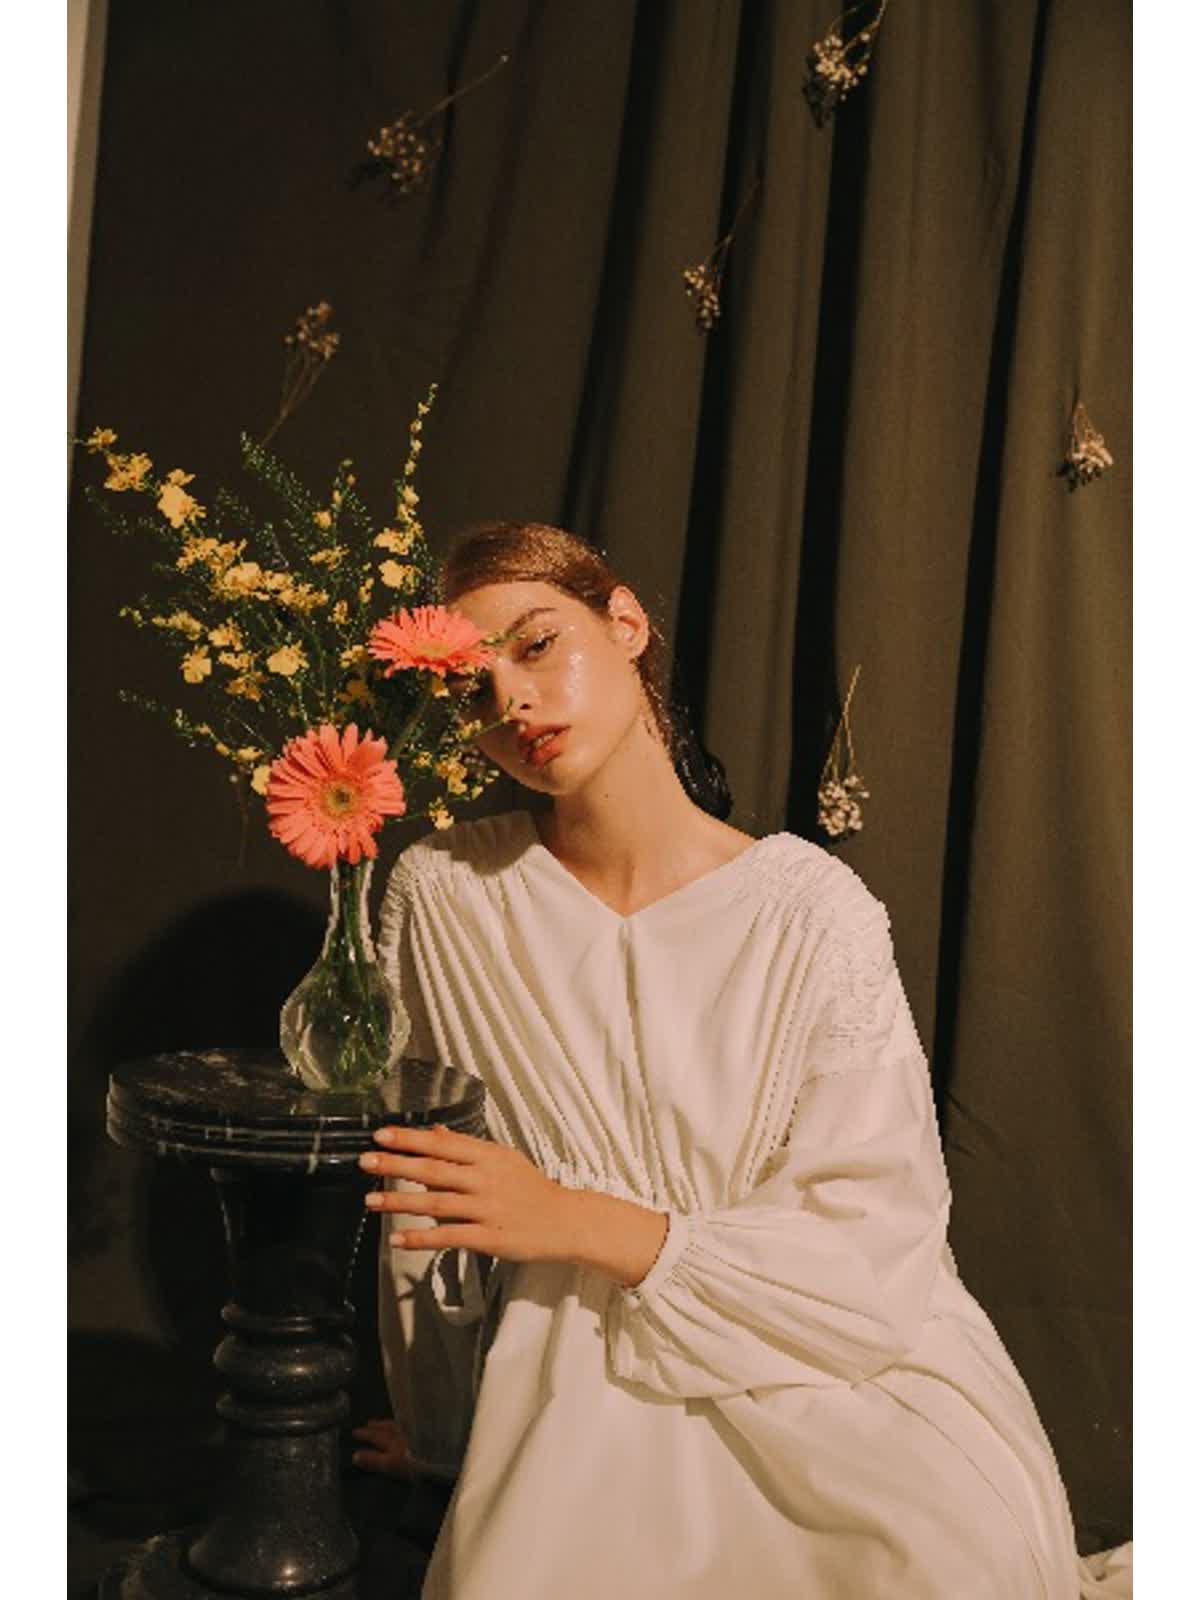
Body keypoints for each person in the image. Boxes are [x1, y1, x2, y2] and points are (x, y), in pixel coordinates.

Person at [352, 523, 1131, 1598]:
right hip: (577, 1397)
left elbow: (880, 1244)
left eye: (536, 645)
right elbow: (425, 1201)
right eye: (471, 692)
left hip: (841, 1381)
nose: (513, 702)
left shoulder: (813, 913)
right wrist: (443, 1433)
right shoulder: (445, 897)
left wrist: (576, 1220)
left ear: (626, 623)